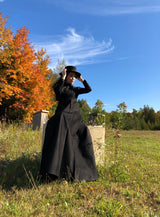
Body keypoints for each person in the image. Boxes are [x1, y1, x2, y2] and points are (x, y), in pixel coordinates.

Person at [40, 66, 98, 182]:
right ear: (66, 76)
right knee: (60, 129)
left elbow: (88, 89)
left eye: (74, 77)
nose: (73, 78)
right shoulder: (60, 87)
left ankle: (84, 171)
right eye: (71, 76)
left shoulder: (75, 89)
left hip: (76, 118)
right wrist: (62, 77)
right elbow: (59, 92)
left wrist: (82, 80)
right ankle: (56, 170)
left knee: (84, 133)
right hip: (63, 116)